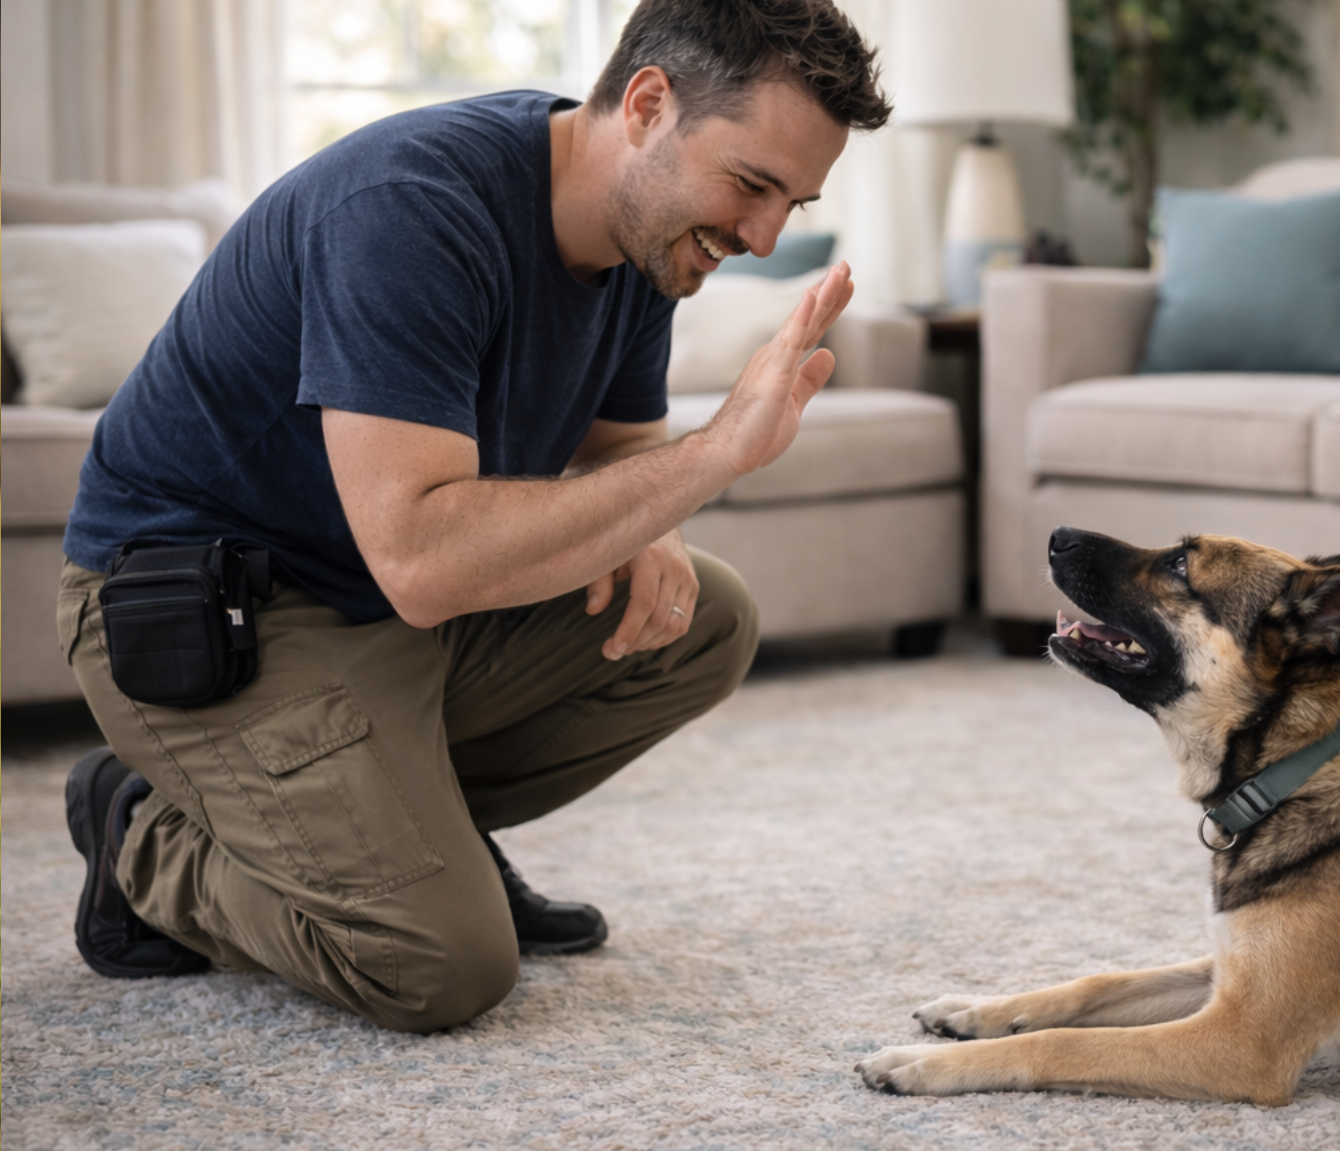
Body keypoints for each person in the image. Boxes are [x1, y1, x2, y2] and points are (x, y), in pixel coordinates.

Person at [57, 0, 891, 1033]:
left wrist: (655, 521)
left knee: (702, 616)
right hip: (217, 613)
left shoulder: (644, 237)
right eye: (752, 184)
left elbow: (621, 444)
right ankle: (145, 841)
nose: (763, 237)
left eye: (792, 204)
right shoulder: (411, 208)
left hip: (386, 610)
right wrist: (718, 450)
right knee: (434, 961)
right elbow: (422, 560)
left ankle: (407, 826)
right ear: (645, 105)